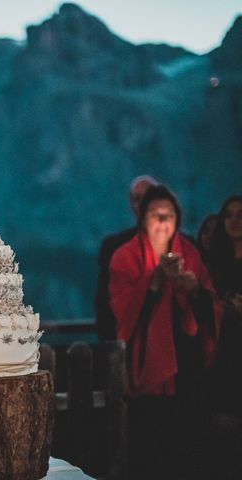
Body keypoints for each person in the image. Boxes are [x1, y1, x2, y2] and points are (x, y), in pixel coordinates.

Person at [109, 185, 221, 479]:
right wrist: (154, 282)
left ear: (177, 219)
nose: (162, 222)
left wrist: (194, 290)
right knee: (151, 449)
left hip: (187, 365)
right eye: (154, 215)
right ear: (142, 219)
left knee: (188, 448)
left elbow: (210, 303)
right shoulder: (125, 256)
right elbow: (121, 313)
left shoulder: (190, 253)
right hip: (147, 366)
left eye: (168, 216)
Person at [94, 175, 159, 342]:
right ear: (132, 205)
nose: (144, 203)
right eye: (138, 199)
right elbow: (105, 304)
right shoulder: (114, 247)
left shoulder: (183, 245)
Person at [209, 195, 242, 478]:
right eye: (229, 214)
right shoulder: (215, 264)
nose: (235, 220)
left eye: (240, 214)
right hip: (222, 351)